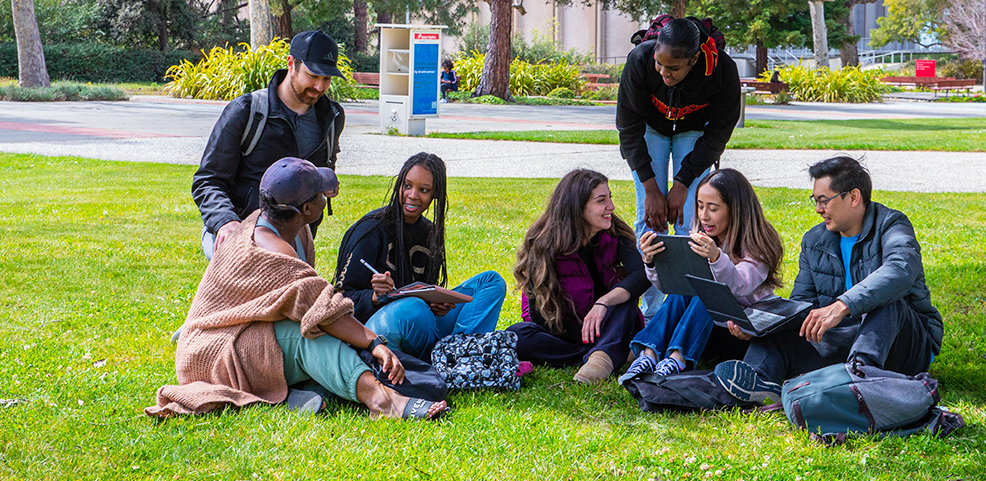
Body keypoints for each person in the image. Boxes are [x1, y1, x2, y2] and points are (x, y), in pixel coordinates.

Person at [148, 157, 448, 420]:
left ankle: (298, 394)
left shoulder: (286, 225)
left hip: (250, 334)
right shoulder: (271, 251)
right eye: (320, 193)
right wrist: (375, 344)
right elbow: (324, 311)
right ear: (307, 208)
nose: (327, 196)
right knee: (309, 335)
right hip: (216, 352)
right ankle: (382, 401)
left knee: (323, 335)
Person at [714, 156, 944, 404]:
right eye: (815, 201)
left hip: (903, 342)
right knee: (784, 333)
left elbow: (900, 271)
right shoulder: (814, 240)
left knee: (888, 301)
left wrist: (843, 305)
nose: (818, 209)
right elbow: (802, 304)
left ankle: (857, 379)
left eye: (824, 201)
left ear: (854, 197)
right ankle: (756, 382)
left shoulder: (892, 225)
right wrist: (761, 327)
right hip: (845, 339)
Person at [617, 17, 741, 317]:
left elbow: (718, 135)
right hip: (650, 129)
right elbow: (628, 128)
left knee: (692, 223)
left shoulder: (721, 70)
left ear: (694, 59)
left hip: (694, 133)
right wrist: (651, 189)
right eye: (660, 64)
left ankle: (687, 308)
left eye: (674, 68)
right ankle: (651, 314)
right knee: (649, 222)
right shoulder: (640, 59)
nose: (664, 73)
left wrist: (682, 185)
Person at [335, 152, 506, 361]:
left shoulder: (430, 233)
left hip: (420, 321)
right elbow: (339, 300)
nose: (413, 195)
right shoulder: (370, 230)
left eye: (424, 190)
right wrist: (374, 296)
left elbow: (425, 291)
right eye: (407, 186)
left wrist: (437, 304)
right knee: (413, 308)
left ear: (435, 194)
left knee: (491, 282)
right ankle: (449, 358)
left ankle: (460, 354)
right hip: (375, 329)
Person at [193, 30, 347, 260]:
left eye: (327, 79)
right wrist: (225, 222)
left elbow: (319, 175)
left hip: (295, 236)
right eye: (313, 75)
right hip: (236, 228)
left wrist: (325, 183)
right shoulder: (246, 111)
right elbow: (208, 181)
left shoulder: (332, 116)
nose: (319, 86)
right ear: (291, 63)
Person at [619, 168, 783, 382]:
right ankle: (649, 354)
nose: (704, 216)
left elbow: (740, 285)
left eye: (713, 208)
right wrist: (652, 262)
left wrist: (716, 258)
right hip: (705, 332)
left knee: (706, 291)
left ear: (737, 210)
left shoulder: (757, 245)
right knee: (686, 287)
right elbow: (670, 287)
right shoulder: (700, 238)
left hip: (742, 334)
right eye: (700, 206)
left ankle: (678, 359)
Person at [507, 169, 650, 383]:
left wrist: (603, 303)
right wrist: (585, 335)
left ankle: (602, 358)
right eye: (601, 200)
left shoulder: (616, 233)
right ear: (577, 207)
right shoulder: (543, 245)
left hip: (612, 323)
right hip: (565, 333)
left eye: (610, 198)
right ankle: (607, 353)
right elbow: (539, 318)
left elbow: (642, 274)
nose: (610, 206)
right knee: (517, 335)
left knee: (624, 300)